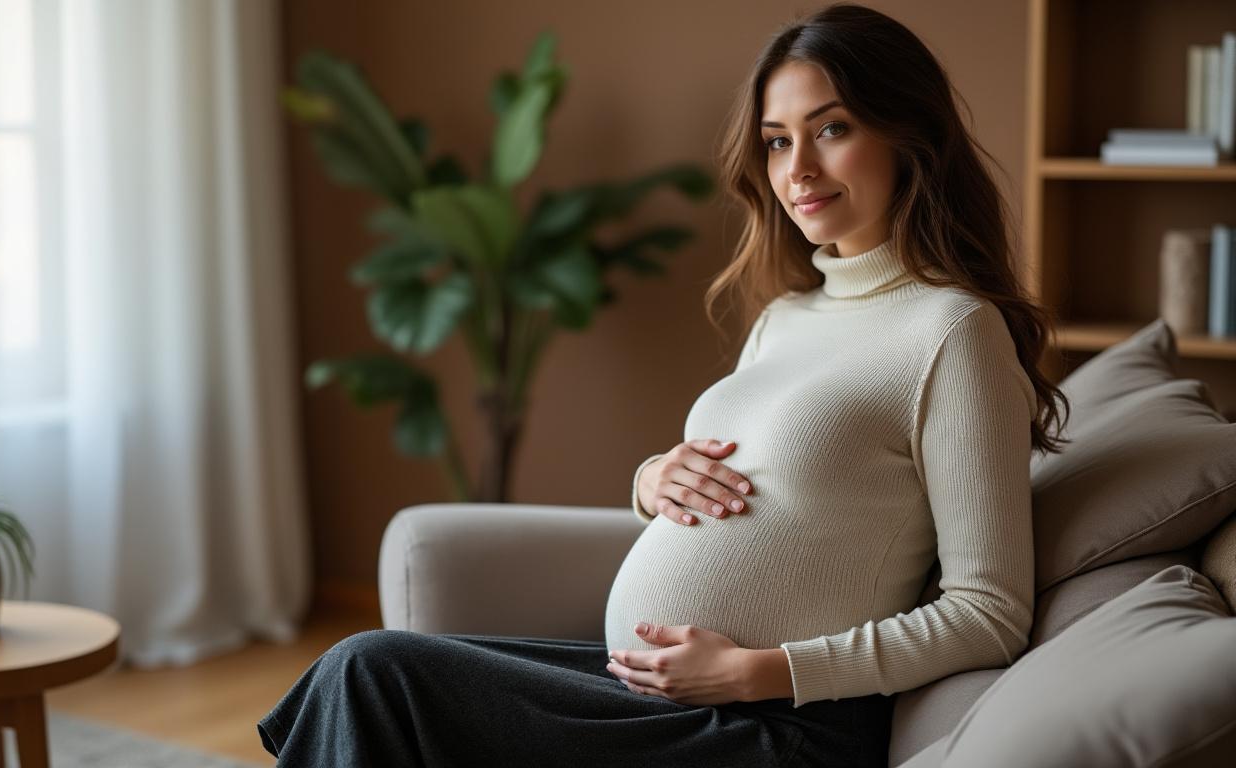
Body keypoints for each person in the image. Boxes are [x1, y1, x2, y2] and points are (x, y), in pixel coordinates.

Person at [256, 3, 1071, 766]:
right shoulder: (788, 317)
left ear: (910, 136)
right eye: (777, 141)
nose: (798, 168)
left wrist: (763, 671)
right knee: (361, 674)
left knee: (374, 674)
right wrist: (652, 480)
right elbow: (766, 490)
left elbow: (990, 613)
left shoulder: (953, 332)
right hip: (654, 697)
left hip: (777, 725)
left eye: (832, 129)